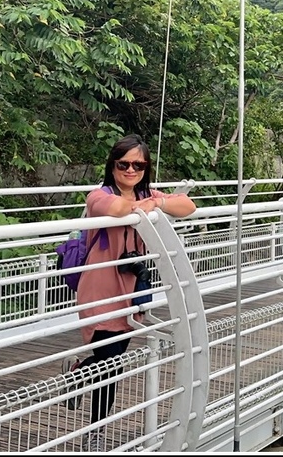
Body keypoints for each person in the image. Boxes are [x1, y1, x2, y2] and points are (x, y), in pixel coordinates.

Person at [64, 134, 196, 451]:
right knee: (111, 363)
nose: (131, 169)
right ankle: (95, 431)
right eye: (124, 163)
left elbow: (187, 205)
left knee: (112, 358)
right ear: (113, 165)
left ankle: (79, 372)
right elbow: (119, 208)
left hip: (131, 289)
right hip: (100, 290)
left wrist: (158, 201)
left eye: (139, 164)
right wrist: (146, 204)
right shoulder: (98, 195)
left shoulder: (147, 192)